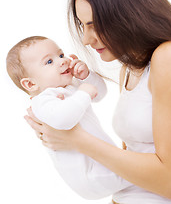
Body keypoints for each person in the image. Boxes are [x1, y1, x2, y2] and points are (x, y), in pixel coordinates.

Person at [24, 0, 171, 203]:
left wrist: (76, 139)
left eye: (94, 25)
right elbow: (132, 159)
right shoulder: (130, 67)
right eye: (83, 25)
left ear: (129, 15)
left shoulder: (168, 57)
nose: (85, 39)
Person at [6, 36, 132, 200]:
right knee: (141, 169)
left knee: (136, 172)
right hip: (91, 176)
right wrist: (84, 93)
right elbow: (63, 120)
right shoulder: (42, 101)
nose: (62, 61)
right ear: (30, 84)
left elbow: (99, 93)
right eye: (49, 62)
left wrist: (86, 77)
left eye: (60, 55)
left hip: (104, 163)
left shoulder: (70, 86)